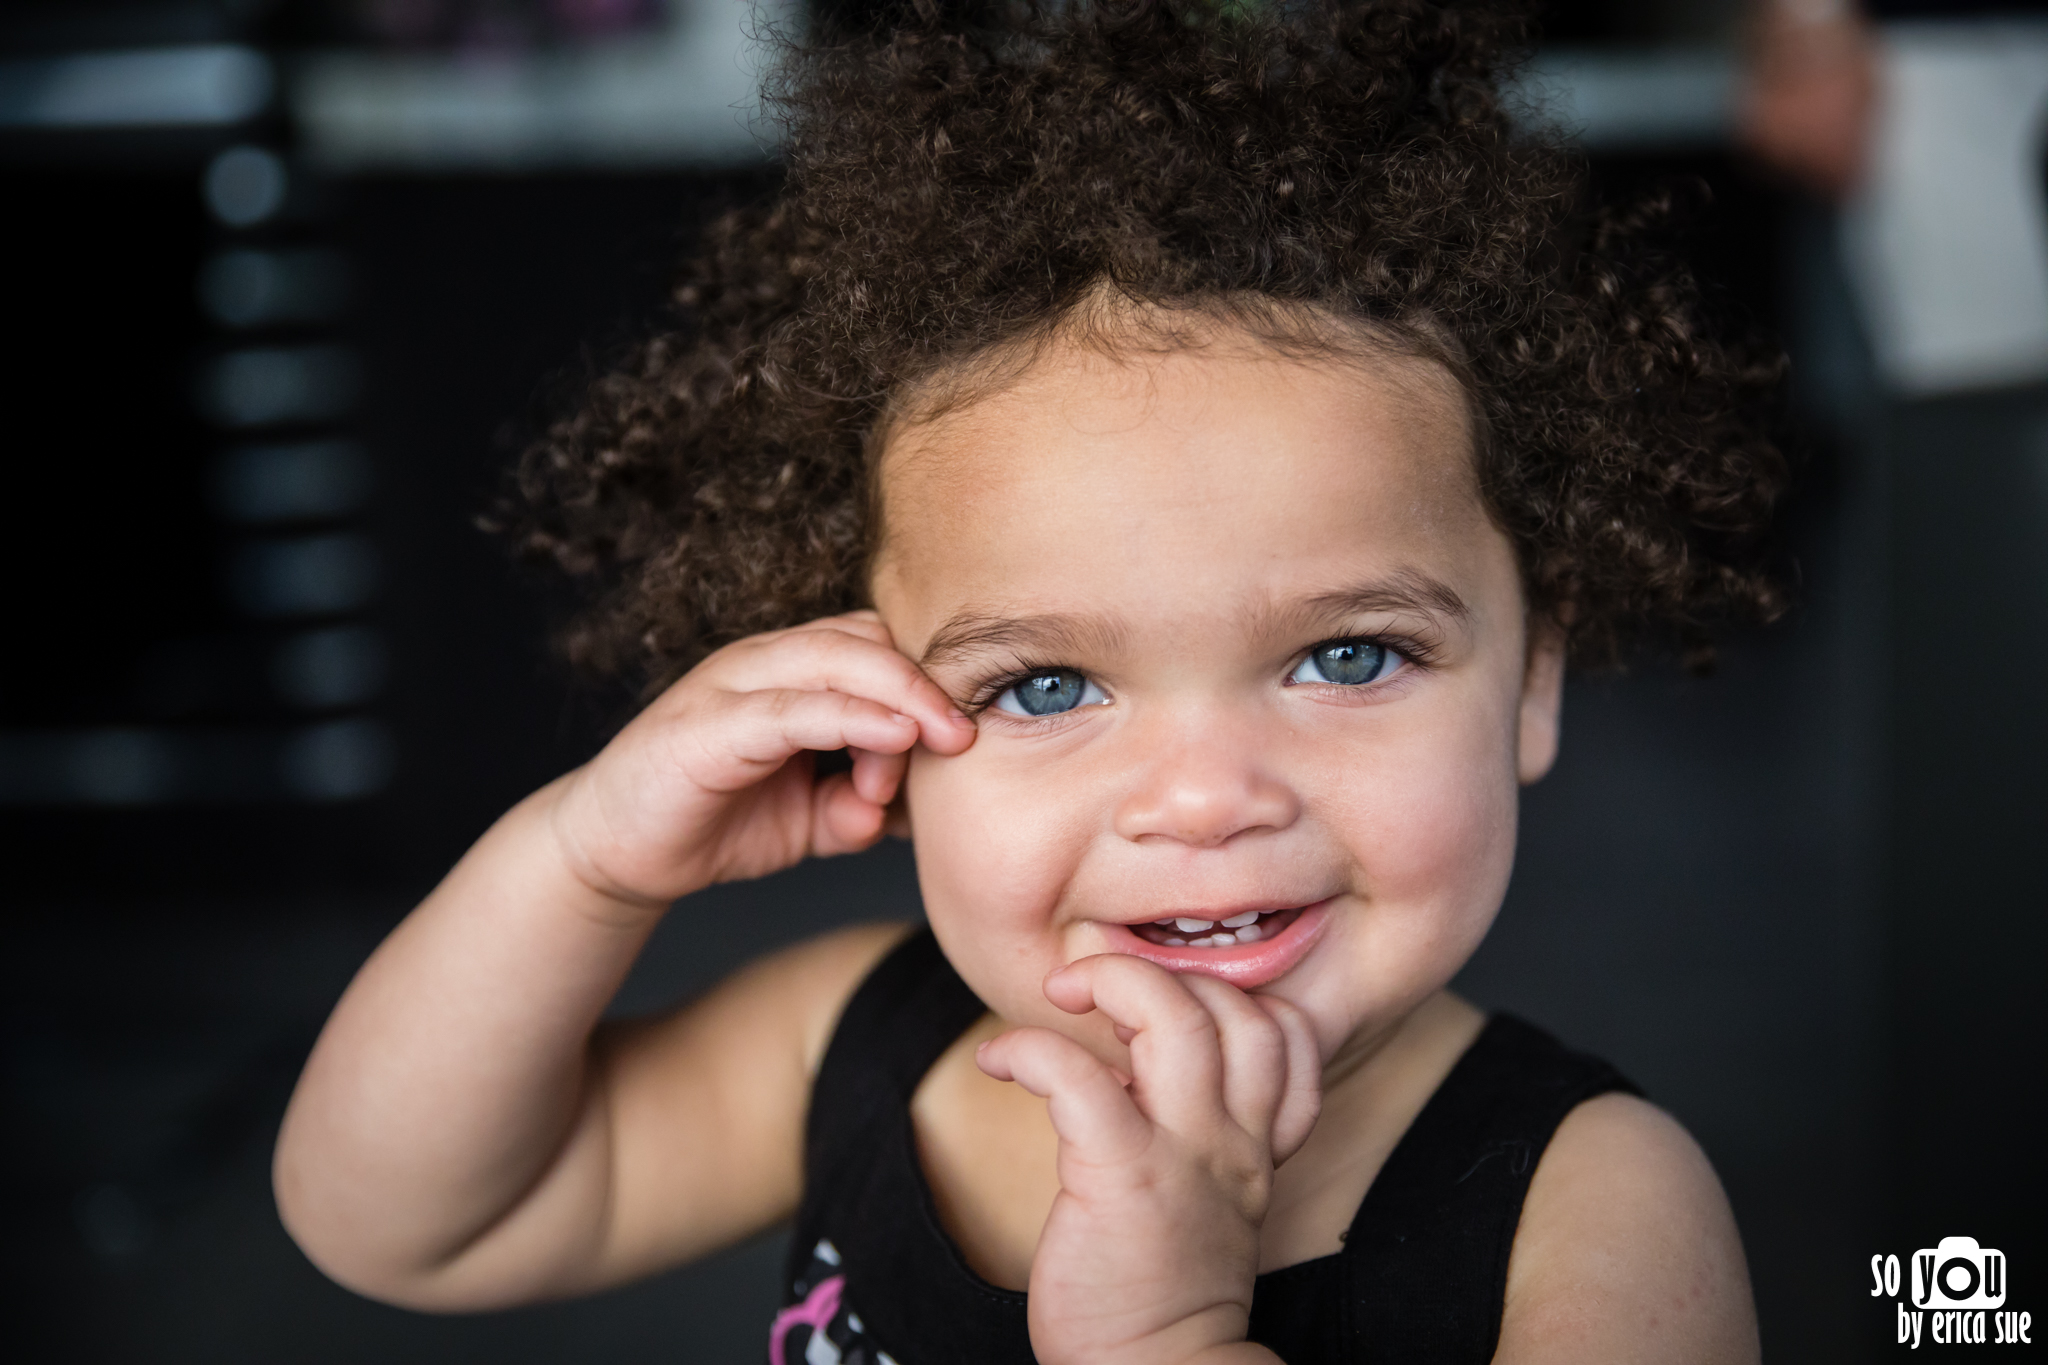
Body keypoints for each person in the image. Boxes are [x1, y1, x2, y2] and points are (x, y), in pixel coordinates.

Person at [273, 3, 1786, 1361]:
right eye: (1051, 684)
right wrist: (585, 863)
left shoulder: (1593, 1209)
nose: (1203, 798)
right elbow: (402, 1220)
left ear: (1532, 681)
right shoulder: (859, 1039)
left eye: (1347, 655)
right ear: (867, 695)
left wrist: (1174, 1342)